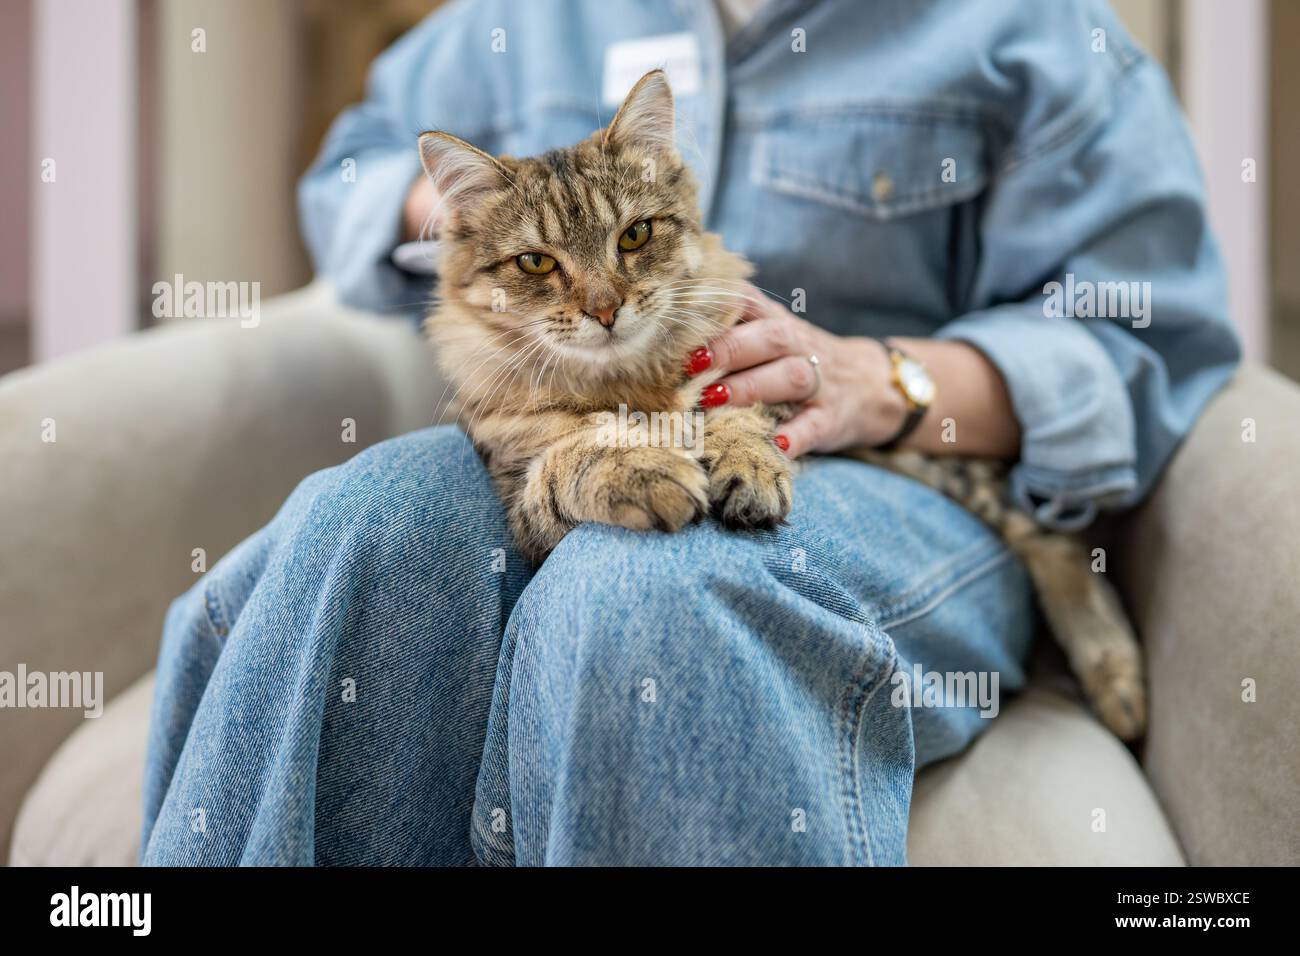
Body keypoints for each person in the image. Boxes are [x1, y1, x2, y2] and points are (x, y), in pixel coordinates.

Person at [141, 0, 1239, 865]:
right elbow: (352, 165)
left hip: (884, 467)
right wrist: (484, 220)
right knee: (361, 519)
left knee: (645, 587)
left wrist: (888, 378)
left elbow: (1150, 336)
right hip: (560, 409)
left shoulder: (1030, 24)